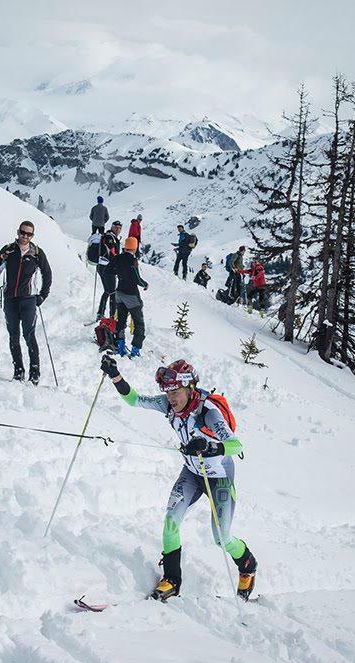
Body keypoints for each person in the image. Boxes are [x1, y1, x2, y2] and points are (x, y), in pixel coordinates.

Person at [99, 356, 258, 601]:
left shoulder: (208, 413)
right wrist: (115, 376)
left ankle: (247, 565)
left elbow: (236, 445)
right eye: (167, 391)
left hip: (219, 477)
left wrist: (211, 448)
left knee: (222, 538)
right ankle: (172, 580)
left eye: (176, 390)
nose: (171, 397)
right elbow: (134, 400)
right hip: (192, 474)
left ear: (189, 388)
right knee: (171, 522)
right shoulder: (168, 405)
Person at [0, 221, 52, 384]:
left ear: (32, 236)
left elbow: (47, 274)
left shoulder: (37, 253)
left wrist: (43, 295)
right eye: (23, 232)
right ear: (18, 232)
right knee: (13, 335)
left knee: (29, 334)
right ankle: (18, 370)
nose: (25, 236)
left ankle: (35, 371)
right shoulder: (8, 250)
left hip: (29, 300)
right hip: (10, 299)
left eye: (29, 234)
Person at [112, 235, 148, 358]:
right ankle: (135, 350)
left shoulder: (117, 258)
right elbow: (137, 279)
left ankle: (121, 347)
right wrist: (145, 284)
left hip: (119, 293)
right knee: (139, 323)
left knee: (121, 320)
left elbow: (107, 270)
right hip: (131, 295)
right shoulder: (133, 261)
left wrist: (119, 274)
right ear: (134, 248)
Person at [95, 220, 122, 320]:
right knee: (112, 292)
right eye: (116, 227)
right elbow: (113, 252)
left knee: (107, 291)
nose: (118, 230)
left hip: (102, 266)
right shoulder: (110, 237)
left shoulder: (109, 236)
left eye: (119, 228)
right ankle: (112, 316)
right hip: (108, 268)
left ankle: (100, 313)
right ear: (112, 227)